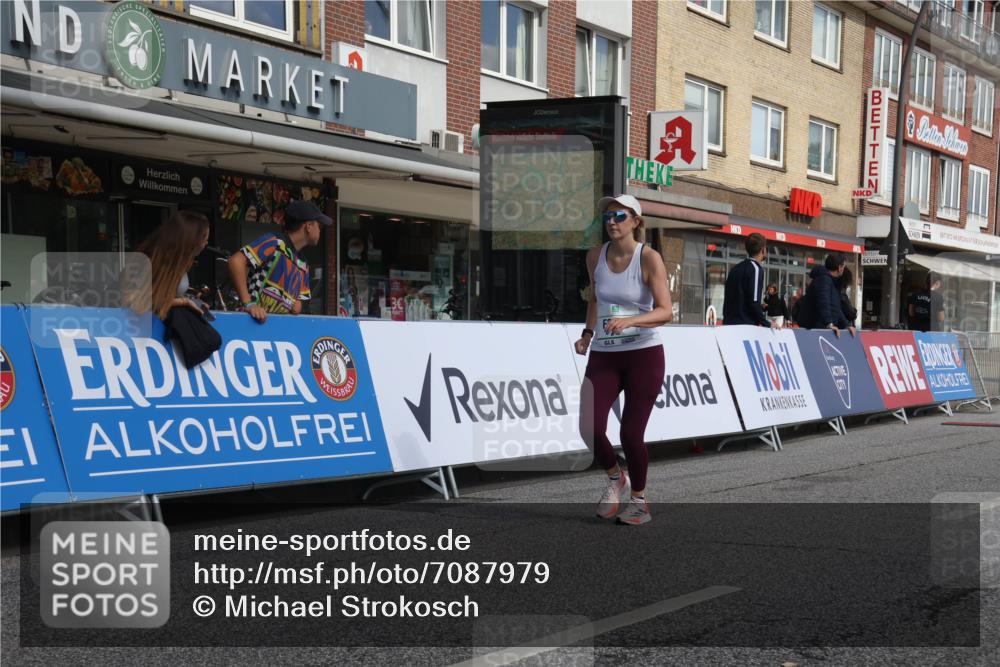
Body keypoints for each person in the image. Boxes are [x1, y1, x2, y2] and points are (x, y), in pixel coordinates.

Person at [574, 194, 672, 526]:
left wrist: (631, 320)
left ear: (635, 221)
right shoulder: (593, 256)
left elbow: (666, 311)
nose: (612, 221)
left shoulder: (649, 258)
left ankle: (640, 502)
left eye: (619, 215)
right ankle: (617, 478)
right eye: (607, 217)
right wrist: (588, 334)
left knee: (631, 434)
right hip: (605, 354)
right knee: (589, 426)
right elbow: (596, 298)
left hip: (644, 355)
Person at [228, 200, 331, 323]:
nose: (320, 231)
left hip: (275, 329)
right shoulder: (275, 242)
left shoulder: (303, 263)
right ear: (308, 226)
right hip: (250, 323)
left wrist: (296, 306)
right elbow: (235, 261)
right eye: (319, 226)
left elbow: (298, 304)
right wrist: (249, 304)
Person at [122, 210, 210, 320]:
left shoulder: (181, 262)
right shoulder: (148, 261)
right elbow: (136, 302)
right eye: (204, 239)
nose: (206, 244)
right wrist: (183, 302)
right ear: (191, 240)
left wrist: (192, 301)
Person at [796, 253, 856, 337]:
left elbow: (835, 308)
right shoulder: (824, 279)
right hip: (815, 329)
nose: (844, 269)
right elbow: (823, 302)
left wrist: (846, 325)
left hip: (822, 329)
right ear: (839, 268)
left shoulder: (833, 282)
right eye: (843, 266)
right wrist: (829, 324)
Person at [723, 232, 775, 327]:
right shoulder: (755, 269)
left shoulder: (735, 269)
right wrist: (767, 323)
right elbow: (754, 302)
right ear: (763, 249)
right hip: (745, 326)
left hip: (728, 324)